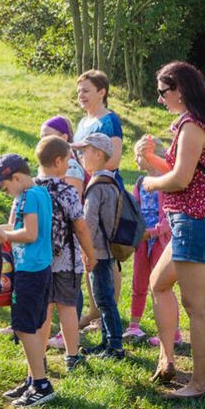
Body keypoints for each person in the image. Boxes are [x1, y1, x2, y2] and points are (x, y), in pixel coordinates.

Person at [136, 61, 205, 398]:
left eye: (163, 92)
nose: (160, 99)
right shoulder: (190, 125)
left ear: (180, 90)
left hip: (195, 222)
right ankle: (167, 358)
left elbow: (180, 180)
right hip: (187, 221)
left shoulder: (193, 127)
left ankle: (200, 384)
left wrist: (149, 182)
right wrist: (150, 160)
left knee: (196, 306)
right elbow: (179, 171)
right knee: (158, 284)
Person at [0, 154, 58, 408]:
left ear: (16, 177)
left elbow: (29, 234)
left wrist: (1, 234)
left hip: (30, 271)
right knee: (32, 325)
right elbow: (11, 226)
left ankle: (41, 385)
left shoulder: (29, 196)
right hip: (38, 268)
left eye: (6, 187)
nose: (6, 192)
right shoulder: (35, 194)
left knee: (23, 328)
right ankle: (32, 378)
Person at [33, 136, 98, 372]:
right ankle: (72, 357)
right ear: (59, 162)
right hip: (66, 260)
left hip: (38, 261)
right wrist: (90, 254)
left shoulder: (29, 189)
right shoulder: (67, 191)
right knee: (67, 308)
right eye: (69, 161)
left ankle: (38, 358)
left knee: (44, 309)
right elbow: (80, 227)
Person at [75, 70, 125, 335]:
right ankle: (96, 310)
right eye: (79, 91)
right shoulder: (83, 122)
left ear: (101, 92)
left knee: (107, 256)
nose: (80, 96)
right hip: (85, 191)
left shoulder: (110, 120)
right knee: (88, 250)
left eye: (86, 90)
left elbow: (114, 159)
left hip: (104, 192)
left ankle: (108, 313)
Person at [74, 133, 128, 360]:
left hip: (98, 251)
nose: (80, 156)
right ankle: (106, 343)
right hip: (107, 250)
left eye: (84, 151)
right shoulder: (111, 181)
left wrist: (86, 251)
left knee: (104, 300)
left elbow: (89, 223)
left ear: (98, 154)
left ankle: (115, 347)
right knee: (104, 299)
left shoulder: (97, 186)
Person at [124, 153, 178, 344]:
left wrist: (153, 232)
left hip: (160, 241)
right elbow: (136, 209)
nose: (135, 159)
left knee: (162, 286)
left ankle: (173, 334)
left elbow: (170, 215)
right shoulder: (140, 182)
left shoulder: (167, 179)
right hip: (142, 240)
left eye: (138, 154)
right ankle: (134, 325)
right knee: (138, 282)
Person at [39, 116, 87, 197]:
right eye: (41, 137)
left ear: (64, 138)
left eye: (47, 136)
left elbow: (73, 204)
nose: (43, 141)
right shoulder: (48, 163)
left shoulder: (71, 168)